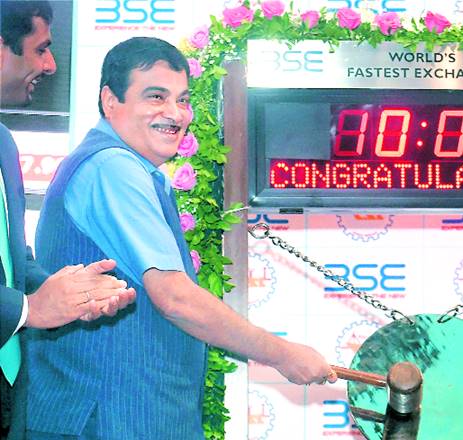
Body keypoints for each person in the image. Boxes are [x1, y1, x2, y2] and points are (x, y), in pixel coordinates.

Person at [25, 36, 336, 439]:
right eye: (156, 97)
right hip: (109, 420)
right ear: (110, 100)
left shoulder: (129, 167)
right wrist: (283, 354)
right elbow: (175, 299)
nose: (175, 114)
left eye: (183, 100)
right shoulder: (113, 168)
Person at [0, 1, 136, 437]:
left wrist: (68, 293)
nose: (51, 65)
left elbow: (10, 259)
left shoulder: (3, 142)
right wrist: (29, 309)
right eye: (40, 49)